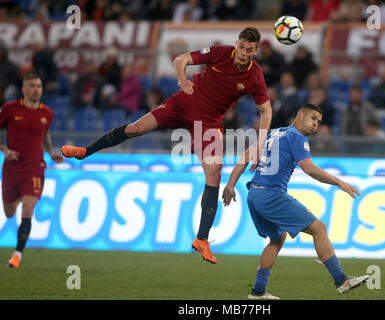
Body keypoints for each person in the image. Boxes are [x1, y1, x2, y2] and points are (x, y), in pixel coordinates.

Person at [61, 27, 272, 264]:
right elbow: (181, 59)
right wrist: (182, 78)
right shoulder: (219, 53)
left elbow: (266, 110)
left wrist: (261, 142)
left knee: (214, 173)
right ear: (237, 43)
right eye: (241, 47)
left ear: (256, 51)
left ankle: (201, 239)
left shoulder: (255, 76)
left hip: (208, 122)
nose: (243, 53)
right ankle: (85, 152)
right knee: (135, 129)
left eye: (249, 50)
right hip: (182, 103)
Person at [222, 104, 369, 299]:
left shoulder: (274, 133)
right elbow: (309, 168)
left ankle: (258, 291)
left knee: (277, 238)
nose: (316, 124)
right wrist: (340, 182)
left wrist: (230, 185)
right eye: (313, 118)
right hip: (271, 195)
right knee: (319, 228)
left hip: (254, 195)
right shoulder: (297, 137)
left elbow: (245, 156)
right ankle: (341, 280)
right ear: (300, 115)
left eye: (319, 121)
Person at [0, 74, 65, 269]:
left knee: (28, 208)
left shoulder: (48, 113)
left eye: (39, 86)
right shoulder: (11, 109)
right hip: (12, 168)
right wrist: (4, 150)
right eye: (32, 86)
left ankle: (17, 255)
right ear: (24, 89)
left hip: (35, 168)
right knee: (10, 212)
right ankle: (19, 198)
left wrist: (51, 152)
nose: (36, 89)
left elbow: (44, 133)